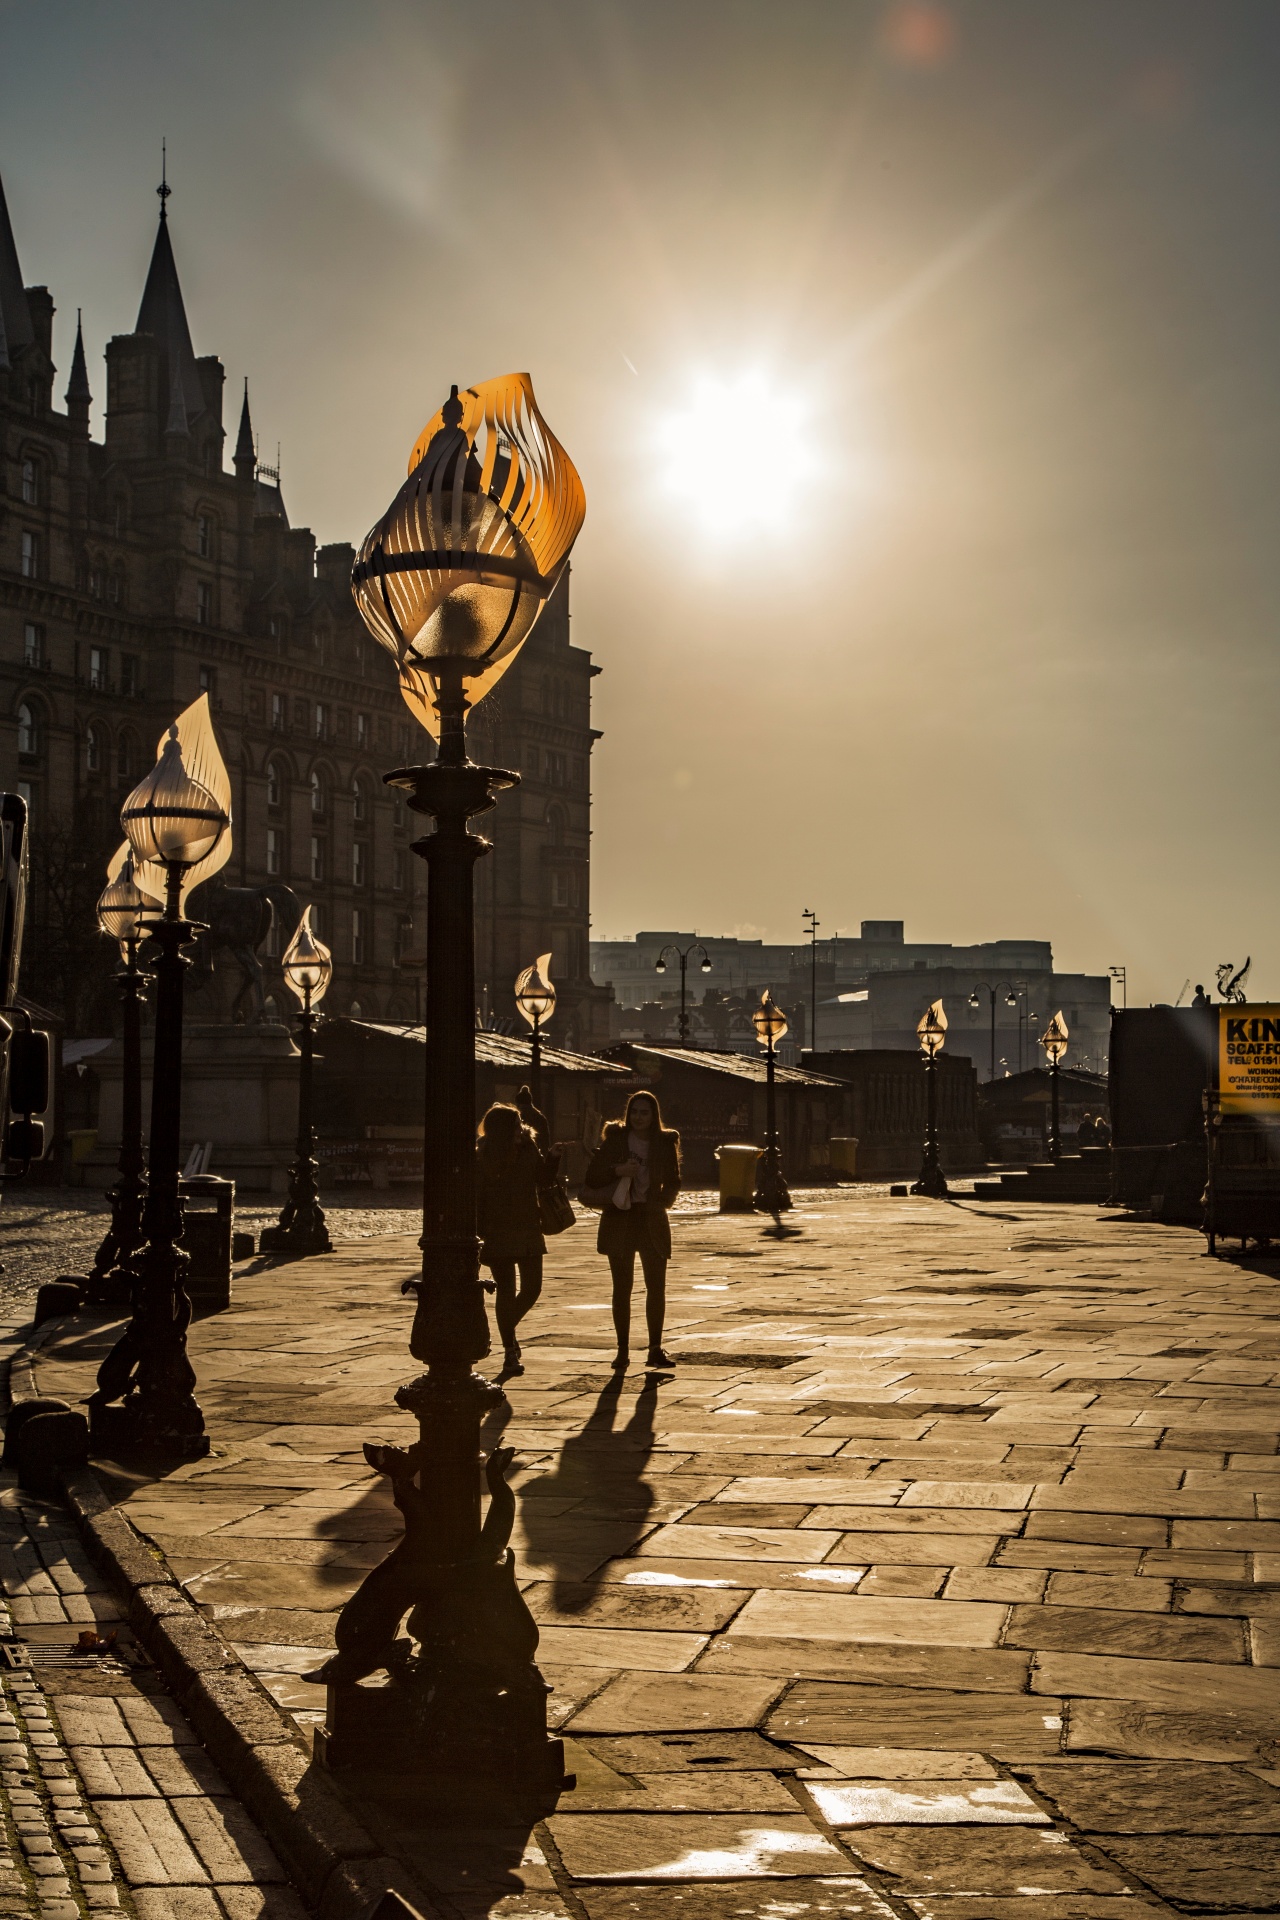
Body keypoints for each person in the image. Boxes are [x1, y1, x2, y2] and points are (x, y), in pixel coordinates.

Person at [584, 1091, 681, 1372]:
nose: (639, 1117)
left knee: (656, 1287)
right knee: (622, 1288)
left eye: (644, 1112)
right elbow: (592, 1177)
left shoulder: (664, 1142)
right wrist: (618, 1169)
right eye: (635, 1112)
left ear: (654, 1116)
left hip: (651, 1218)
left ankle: (654, 1349)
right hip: (620, 1218)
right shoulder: (615, 1139)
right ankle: (622, 1349)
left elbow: (674, 1179)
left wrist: (664, 1201)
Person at [475, 1102, 552, 1376]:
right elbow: (479, 1196)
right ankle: (509, 1350)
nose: (521, 1127)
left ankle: (508, 1332)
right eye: (516, 1123)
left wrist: (552, 1158)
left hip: (528, 1225)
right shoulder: (483, 1154)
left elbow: (542, 1179)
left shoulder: (528, 1147)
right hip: (498, 1231)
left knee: (532, 1289)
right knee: (506, 1291)